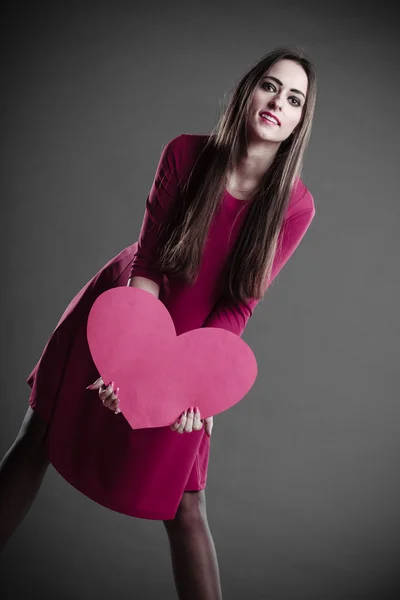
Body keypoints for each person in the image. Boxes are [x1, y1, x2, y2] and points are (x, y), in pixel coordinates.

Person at [0, 47, 317, 599]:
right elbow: (146, 263)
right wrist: (124, 358)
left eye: (294, 99)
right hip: (126, 309)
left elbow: (240, 305)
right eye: (270, 86)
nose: (278, 103)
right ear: (249, 91)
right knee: (39, 433)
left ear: (298, 122)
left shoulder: (294, 207)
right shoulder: (185, 153)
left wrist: (198, 382)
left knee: (184, 500)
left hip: (195, 343)